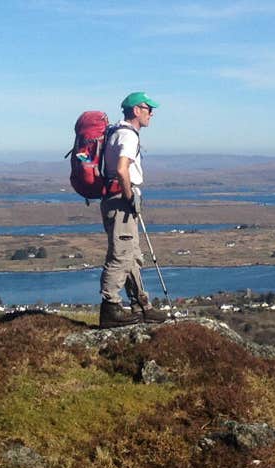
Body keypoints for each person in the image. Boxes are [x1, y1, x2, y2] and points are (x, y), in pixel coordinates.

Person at [98, 92, 169, 328]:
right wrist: (130, 198)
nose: (152, 113)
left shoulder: (117, 133)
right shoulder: (128, 136)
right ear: (136, 110)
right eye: (149, 108)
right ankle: (110, 307)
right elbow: (121, 169)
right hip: (120, 200)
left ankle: (141, 305)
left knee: (132, 254)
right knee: (121, 254)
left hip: (115, 198)